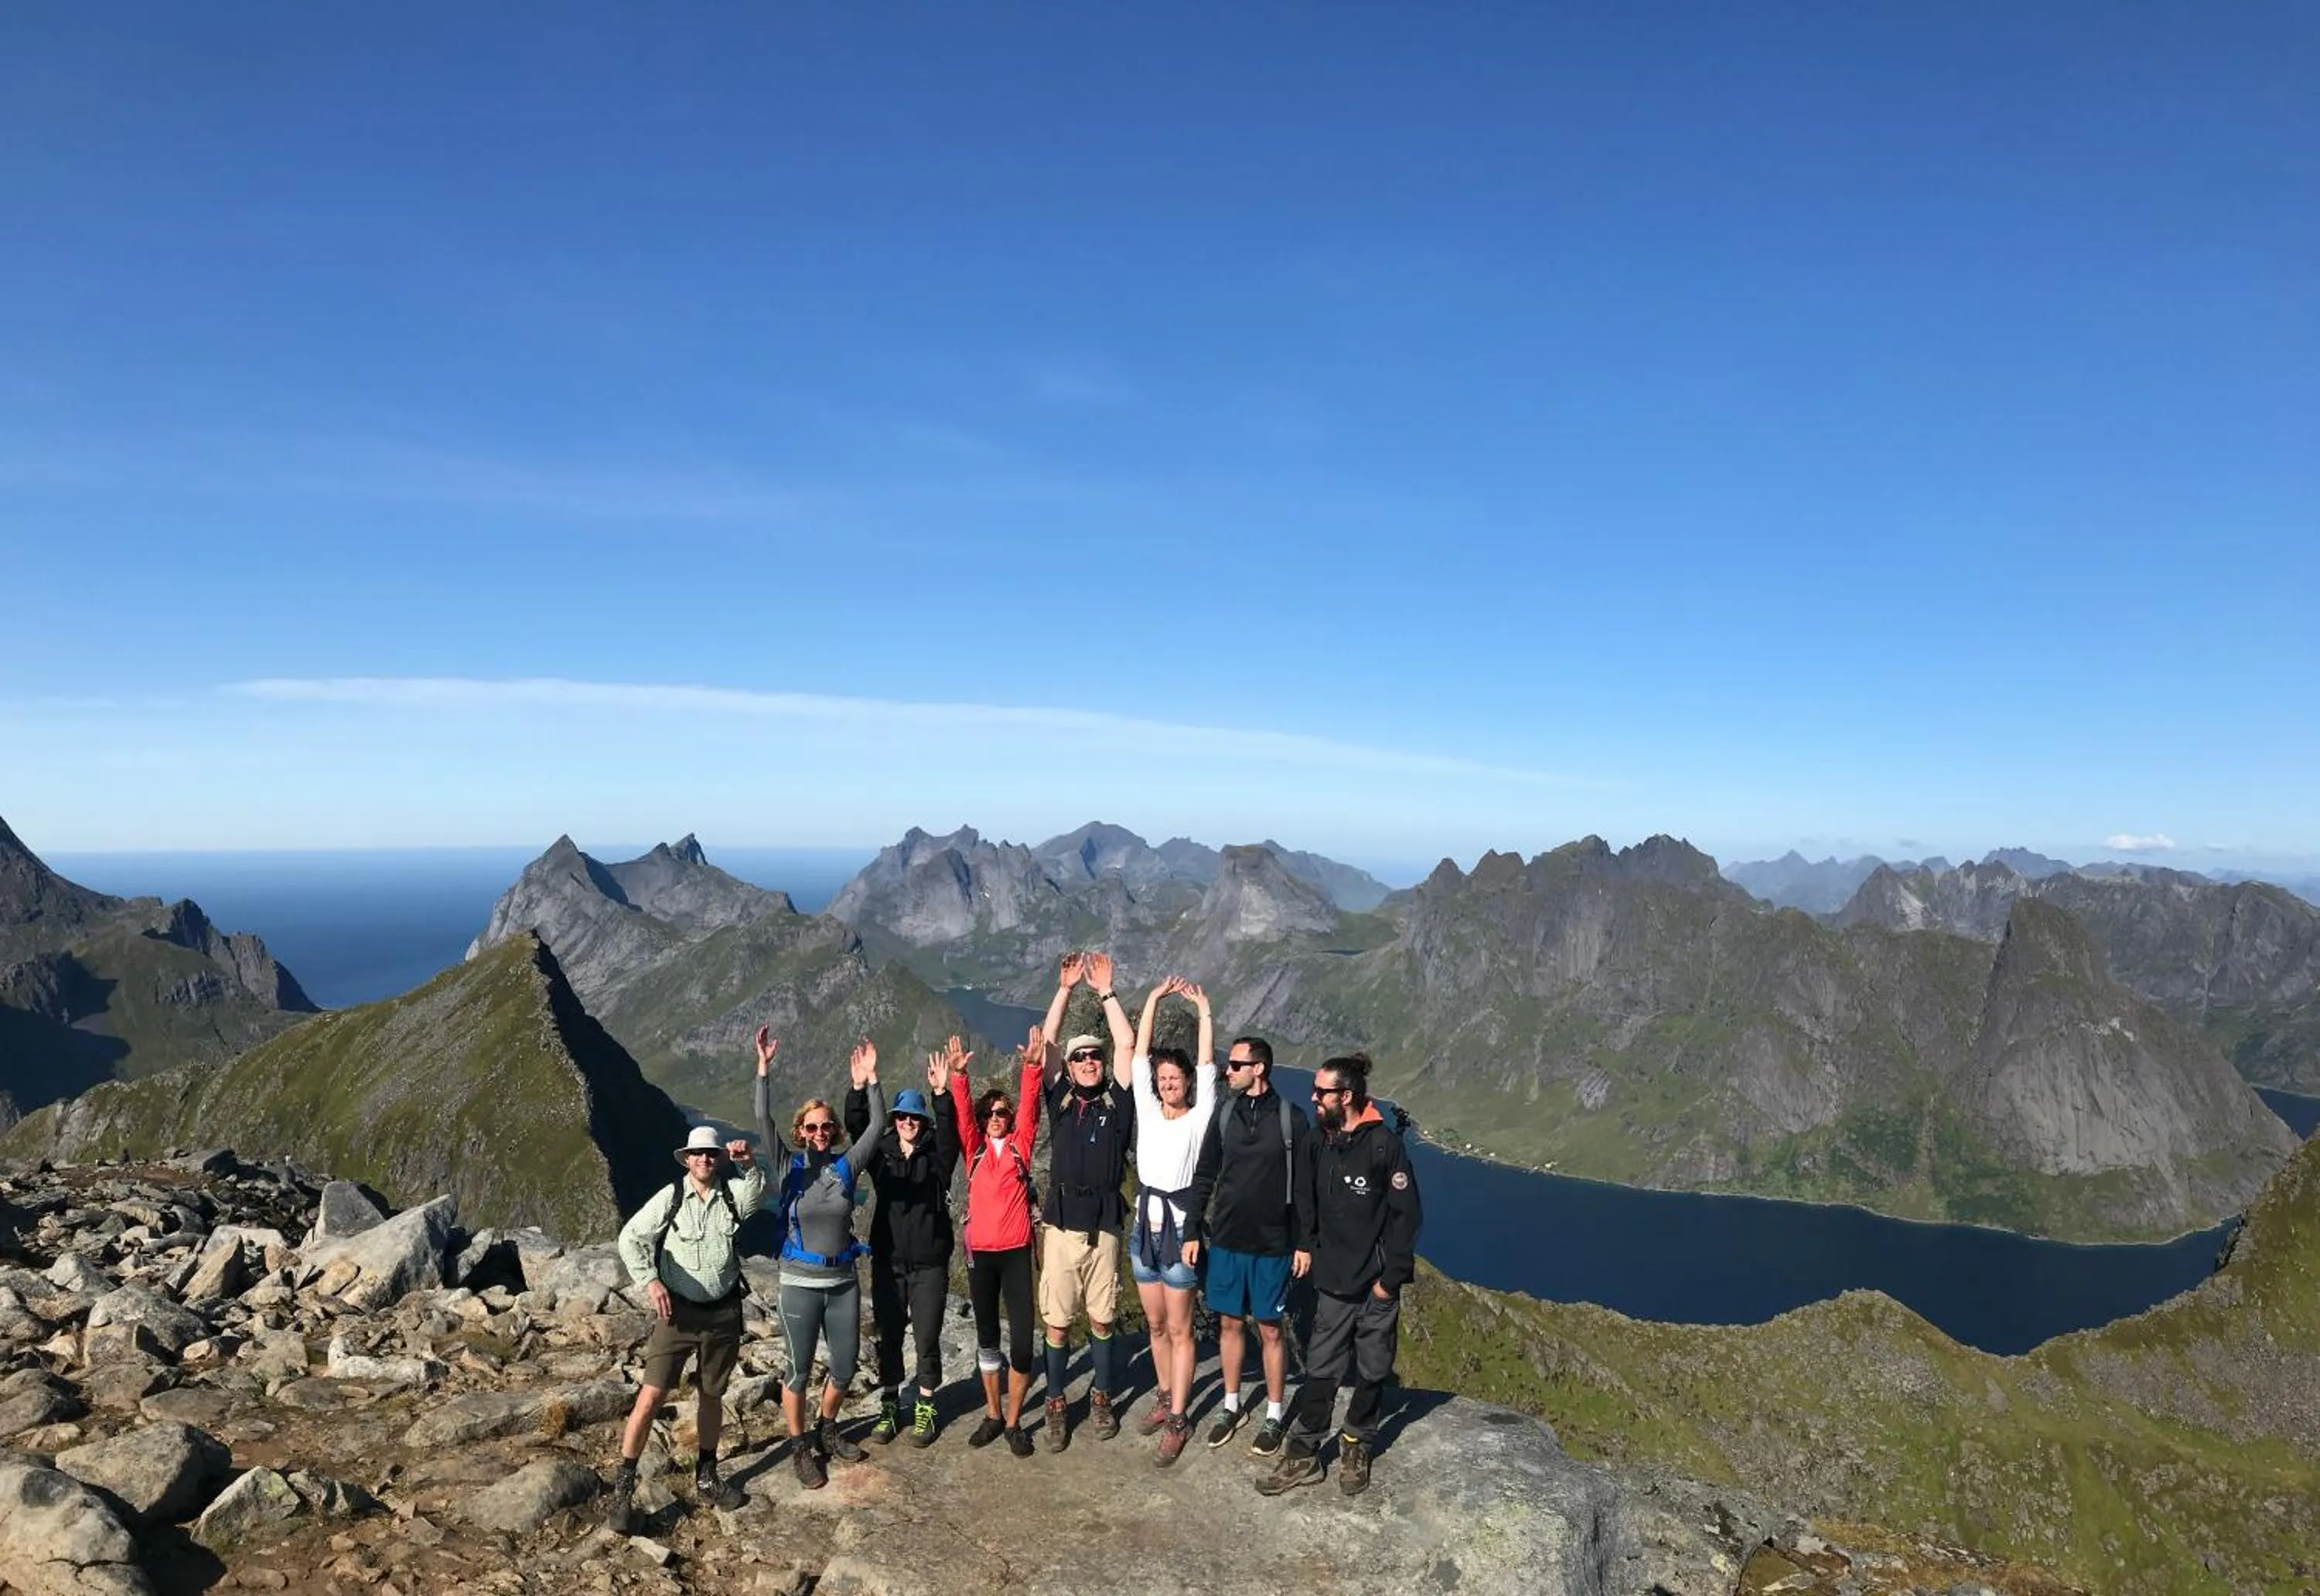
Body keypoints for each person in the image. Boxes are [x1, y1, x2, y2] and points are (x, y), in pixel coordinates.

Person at [1256, 1051, 1421, 1499]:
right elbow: (1303, 1197)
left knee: (1372, 1371)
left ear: (1345, 1096)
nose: (1313, 1098)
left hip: (1374, 1287)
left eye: (1321, 1092)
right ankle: (1305, 1453)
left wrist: (1390, 1281)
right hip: (1332, 1283)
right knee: (1322, 1372)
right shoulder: (1319, 1141)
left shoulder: (1384, 1146)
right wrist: (1305, 1244)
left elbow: (1407, 1217)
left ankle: (1356, 1443)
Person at [606, 1121, 766, 1530]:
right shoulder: (672, 1197)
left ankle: (707, 1476)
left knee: (712, 1395)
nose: (704, 1160)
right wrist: (650, 1280)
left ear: (718, 1159)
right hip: (677, 1314)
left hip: (723, 1313)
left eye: (712, 1154)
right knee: (651, 1395)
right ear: (687, 1158)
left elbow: (758, 1189)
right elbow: (631, 1238)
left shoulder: (732, 1196)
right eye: (698, 1154)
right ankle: (623, 1487)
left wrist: (748, 1164)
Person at [756, 1029, 886, 1489]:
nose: (819, 1133)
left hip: (843, 1283)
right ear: (800, 1133)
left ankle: (826, 1428)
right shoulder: (788, 1166)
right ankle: (799, 1447)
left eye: (826, 1126)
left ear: (834, 1131)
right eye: (811, 1128)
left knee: (846, 1365)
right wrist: (764, 1070)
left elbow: (877, 1127)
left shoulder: (846, 1167)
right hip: (799, 1283)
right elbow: (760, 1116)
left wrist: (872, 1081)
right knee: (798, 1370)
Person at [1181, 1032, 1314, 1457]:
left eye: (1236, 1065)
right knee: (1229, 1324)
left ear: (1259, 1068)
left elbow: (1306, 1189)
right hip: (1226, 1241)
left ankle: (1274, 1415)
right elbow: (1205, 1175)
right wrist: (1190, 1231)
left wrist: (1304, 1244)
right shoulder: (1225, 1114)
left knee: (1272, 1329)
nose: (1228, 1071)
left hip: (1273, 1245)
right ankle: (1232, 1406)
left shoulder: (1291, 1119)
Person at [1034, 950, 1136, 1451]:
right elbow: (1048, 1044)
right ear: (1070, 1069)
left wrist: (1107, 992)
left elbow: (1128, 1043)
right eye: (1080, 1058)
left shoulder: (1119, 1105)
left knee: (1101, 1317)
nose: (1089, 1061)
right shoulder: (1061, 1101)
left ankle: (1100, 1396)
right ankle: (1056, 1401)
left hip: (1105, 1226)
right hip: (1060, 1225)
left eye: (1093, 1055)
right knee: (1056, 1322)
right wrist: (1066, 989)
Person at [845, 1034, 965, 1447]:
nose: (908, 1123)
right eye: (901, 1117)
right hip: (889, 1261)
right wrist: (860, 1087)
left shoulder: (937, 1159)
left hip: (930, 1263)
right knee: (890, 1335)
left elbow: (952, 1136)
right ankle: (891, 1403)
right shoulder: (880, 1156)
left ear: (923, 1121)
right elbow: (859, 1128)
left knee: (927, 1337)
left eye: (915, 1118)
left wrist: (940, 1093)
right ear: (894, 1119)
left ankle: (926, 1407)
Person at [1128, 974, 1219, 1465]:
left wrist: (1204, 1013)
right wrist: (1152, 999)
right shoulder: (1147, 1105)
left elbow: (1208, 1066)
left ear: (1186, 1083)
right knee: (1156, 1323)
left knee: (1181, 1330)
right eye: (1162, 1079)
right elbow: (1137, 1060)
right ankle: (1165, 1398)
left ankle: (1180, 1417)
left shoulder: (1199, 1116)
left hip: (1181, 1232)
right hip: (1143, 1231)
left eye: (1174, 1078)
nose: (1166, 1084)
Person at [952, 1024, 1047, 1458]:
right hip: (980, 1258)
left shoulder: (1018, 1148)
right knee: (988, 1338)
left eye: (1001, 1112)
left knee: (1024, 1343)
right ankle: (994, 1414)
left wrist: (1032, 1068)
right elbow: (961, 1115)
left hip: (1014, 1254)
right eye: (989, 1111)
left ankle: (1013, 1421)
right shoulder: (972, 1149)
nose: (996, 1116)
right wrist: (958, 1079)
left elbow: (1031, 1109)